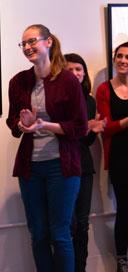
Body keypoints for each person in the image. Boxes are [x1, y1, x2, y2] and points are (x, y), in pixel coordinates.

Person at [6, 24, 88, 272]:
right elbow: (12, 123)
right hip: (31, 168)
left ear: (49, 42)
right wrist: (22, 123)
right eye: (24, 44)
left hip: (61, 167)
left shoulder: (67, 81)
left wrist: (45, 124)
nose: (28, 47)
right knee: (38, 233)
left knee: (60, 233)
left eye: (33, 41)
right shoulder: (19, 82)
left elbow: (80, 127)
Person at [65, 53, 106, 272]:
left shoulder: (89, 100)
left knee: (82, 224)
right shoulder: (58, 99)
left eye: (78, 69)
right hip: (62, 168)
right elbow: (62, 134)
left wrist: (94, 129)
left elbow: (86, 140)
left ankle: (80, 268)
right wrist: (86, 128)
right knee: (67, 225)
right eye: (69, 69)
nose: (75, 73)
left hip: (84, 167)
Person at [96, 42, 128, 272]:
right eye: (120, 56)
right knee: (125, 208)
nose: (123, 60)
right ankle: (122, 260)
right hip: (120, 157)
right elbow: (105, 127)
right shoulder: (104, 90)